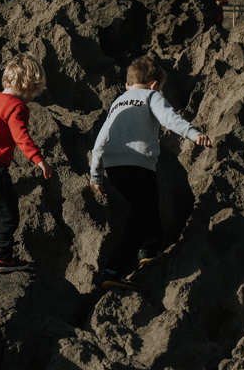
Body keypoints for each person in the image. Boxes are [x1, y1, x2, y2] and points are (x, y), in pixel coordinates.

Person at [90, 56, 212, 291]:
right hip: (138, 164)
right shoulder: (151, 96)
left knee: (146, 207)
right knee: (140, 217)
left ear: (128, 85)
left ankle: (148, 251)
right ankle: (113, 269)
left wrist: (96, 175)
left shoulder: (118, 103)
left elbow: (100, 140)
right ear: (154, 85)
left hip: (114, 167)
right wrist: (192, 133)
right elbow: (169, 118)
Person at [0, 52, 54, 273]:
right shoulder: (17, 106)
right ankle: (3, 257)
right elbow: (21, 136)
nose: (33, 97)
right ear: (27, 85)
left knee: (3, 201)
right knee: (8, 213)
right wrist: (39, 159)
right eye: (35, 92)